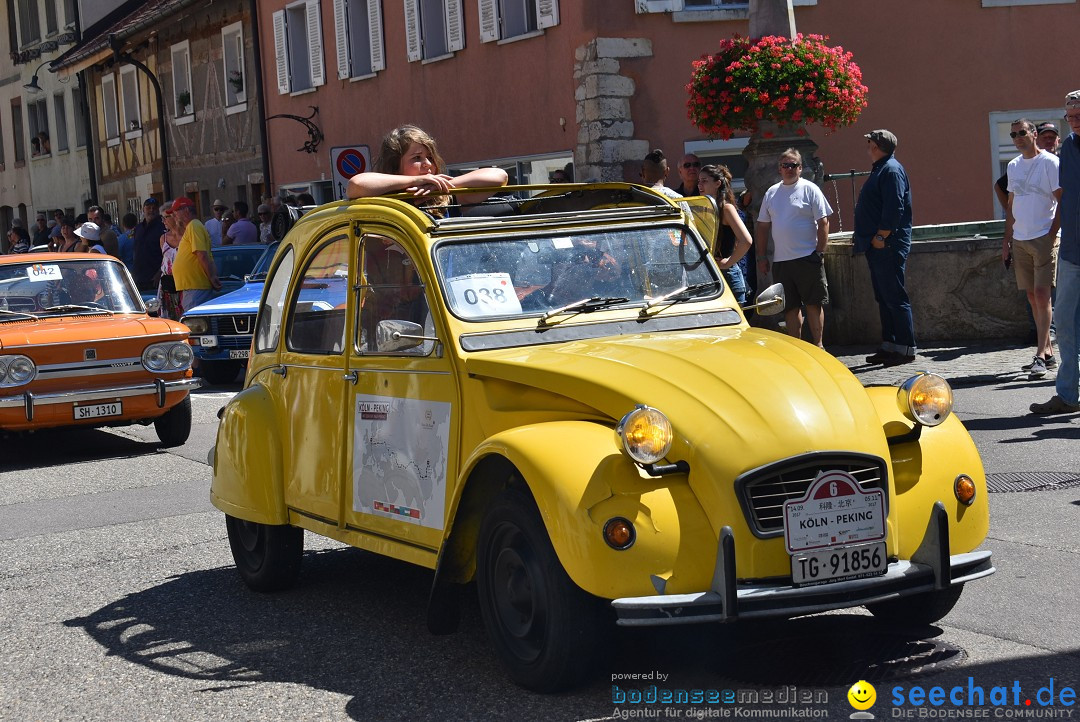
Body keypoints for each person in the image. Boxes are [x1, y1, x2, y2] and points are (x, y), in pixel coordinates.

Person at [1031, 92, 1080, 415]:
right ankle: (1067, 395)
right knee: (1063, 323)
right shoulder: (1069, 148)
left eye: (1077, 115)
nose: (1073, 121)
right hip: (1072, 250)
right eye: (1070, 116)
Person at [755, 148, 833, 348]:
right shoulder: (771, 193)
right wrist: (762, 256)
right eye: (785, 165)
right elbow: (762, 226)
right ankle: (797, 348)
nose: (789, 169)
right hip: (782, 260)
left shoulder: (810, 189)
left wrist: (819, 251)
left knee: (813, 303)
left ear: (800, 168)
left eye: (794, 165)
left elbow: (823, 222)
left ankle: (818, 345)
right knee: (789, 307)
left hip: (807, 257)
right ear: (779, 168)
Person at [1003, 118, 1061, 379]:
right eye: (1013, 134)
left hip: (1043, 237)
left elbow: (1063, 200)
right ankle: (1047, 352)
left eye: (1022, 133)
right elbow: (1011, 205)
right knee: (1031, 297)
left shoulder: (1049, 162)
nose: (1017, 138)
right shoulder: (1013, 166)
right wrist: (1007, 240)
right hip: (1021, 238)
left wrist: (1051, 234)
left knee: (1042, 294)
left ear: (1033, 134)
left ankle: (1039, 354)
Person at [346, 125, 508, 216]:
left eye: (430, 157)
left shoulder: (444, 199)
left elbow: (499, 176)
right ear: (395, 165)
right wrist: (415, 181)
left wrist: (441, 186)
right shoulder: (385, 200)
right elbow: (356, 185)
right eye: (417, 158)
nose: (427, 164)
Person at [855, 130, 916, 366]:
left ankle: (905, 348)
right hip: (879, 245)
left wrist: (881, 236)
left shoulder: (890, 169)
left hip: (887, 244)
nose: (867, 144)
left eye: (869, 141)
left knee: (894, 296)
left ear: (875, 145)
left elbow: (894, 207)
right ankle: (890, 345)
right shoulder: (884, 167)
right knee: (884, 296)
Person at [698, 164, 752, 305]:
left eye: (704, 181)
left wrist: (728, 262)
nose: (700, 185)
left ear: (717, 183)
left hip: (727, 277)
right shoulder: (702, 208)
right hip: (707, 276)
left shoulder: (726, 209)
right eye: (699, 181)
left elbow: (746, 241)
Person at [170, 196, 221, 312]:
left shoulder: (194, 225)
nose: (174, 215)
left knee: (194, 323)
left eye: (176, 211)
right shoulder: (193, 226)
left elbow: (201, 254)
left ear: (186, 210)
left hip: (196, 287)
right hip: (193, 287)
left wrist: (212, 277)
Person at [132, 198, 166, 292]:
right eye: (148, 208)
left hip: (154, 278)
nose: (151, 210)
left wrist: (160, 272)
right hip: (138, 277)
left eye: (154, 208)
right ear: (143, 209)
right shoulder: (138, 228)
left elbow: (167, 253)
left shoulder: (162, 227)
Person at [159, 203, 182, 319]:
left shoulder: (186, 236)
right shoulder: (163, 238)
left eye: (165, 217)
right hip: (167, 285)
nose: (163, 221)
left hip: (183, 283)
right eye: (162, 218)